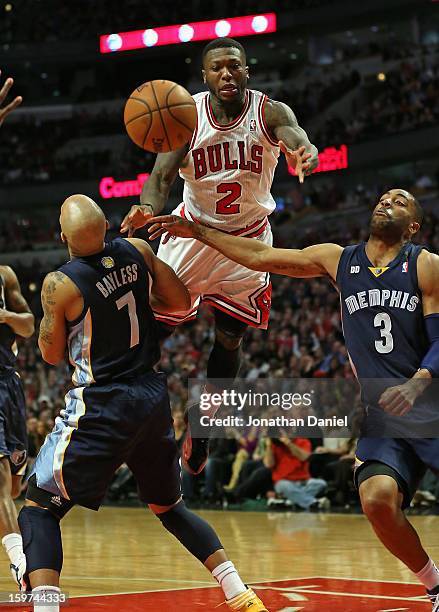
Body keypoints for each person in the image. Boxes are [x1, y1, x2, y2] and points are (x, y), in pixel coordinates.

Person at [147, 188, 439, 609]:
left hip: (428, 401)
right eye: (384, 196)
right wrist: (196, 231)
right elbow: (261, 258)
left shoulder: (424, 264)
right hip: (383, 412)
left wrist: (418, 382)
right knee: (376, 499)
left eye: (400, 200)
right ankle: (434, 585)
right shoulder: (339, 259)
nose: (387, 200)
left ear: (413, 225)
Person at [18, 195, 268, 612]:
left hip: (102, 402)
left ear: (62, 236)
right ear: (105, 226)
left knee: (40, 507)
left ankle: (46, 607)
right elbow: (179, 302)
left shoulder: (59, 284)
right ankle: (240, 594)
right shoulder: (137, 250)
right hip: (151, 397)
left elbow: (50, 353)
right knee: (169, 507)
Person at [120, 36, 319, 476]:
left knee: (230, 339)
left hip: (246, 244)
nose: (227, 74)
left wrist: (306, 151)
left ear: (246, 70)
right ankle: (123, 413)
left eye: (234, 66)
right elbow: (161, 177)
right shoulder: (186, 116)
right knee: (151, 331)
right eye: (218, 68)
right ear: (205, 75)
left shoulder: (270, 111)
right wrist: (147, 209)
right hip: (191, 234)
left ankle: (202, 424)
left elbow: (296, 136)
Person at [0, 70, 33, 590]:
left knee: (12, 484)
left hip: (5, 381)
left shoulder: (3, 274)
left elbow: (30, 327)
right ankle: (22, 566)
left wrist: (5, 317)